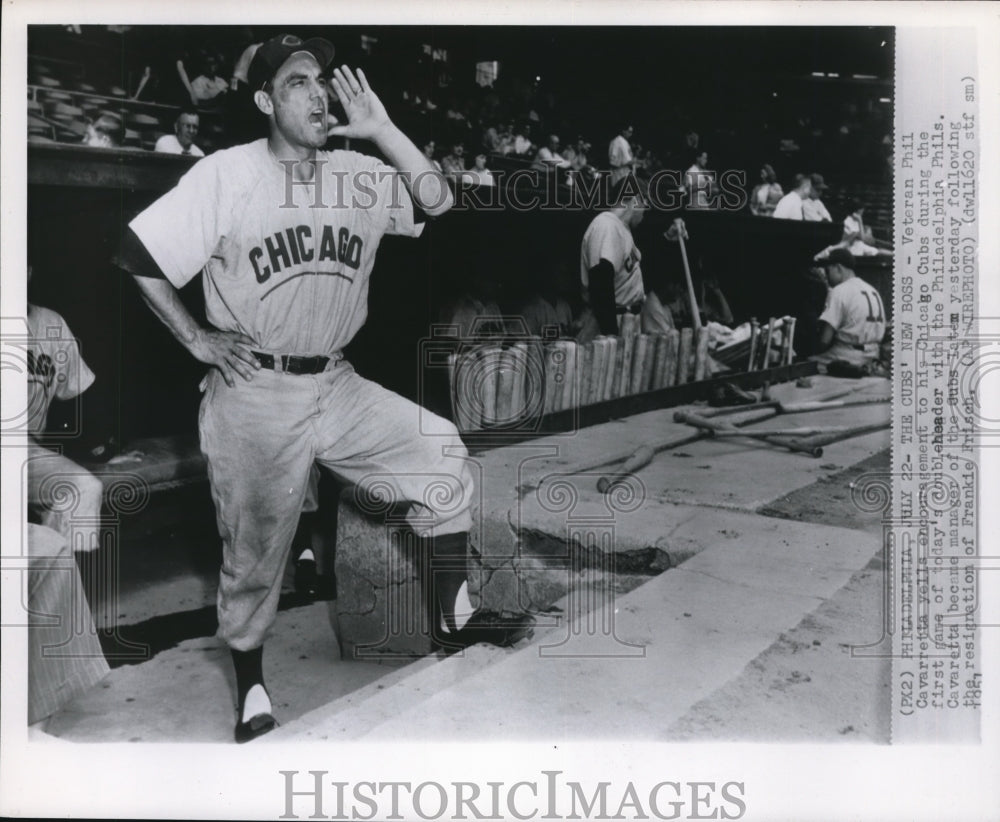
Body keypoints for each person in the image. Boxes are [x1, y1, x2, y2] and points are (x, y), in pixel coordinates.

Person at [116, 34, 533, 744]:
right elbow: (135, 254)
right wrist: (197, 340)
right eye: (296, 82)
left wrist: (383, 130)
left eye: (321, 81)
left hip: (334, 380)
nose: (317, 94)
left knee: (439, 448)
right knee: (253, 555)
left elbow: (439, 201)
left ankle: (455, 614)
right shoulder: (226, 175)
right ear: (263, 101)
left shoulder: (356, 171)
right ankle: (249, 686)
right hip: (256, 389)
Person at [579, 178, 648, 336]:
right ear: (637, 199)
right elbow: (600, 282)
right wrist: (611, 334)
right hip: (610, 323)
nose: (645, 212)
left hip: (626, 320)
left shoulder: (621, 228)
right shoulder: (606, 224)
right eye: (645, 204)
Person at [810, 248, 886, 368]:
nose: (827, 276)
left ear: (838, 268)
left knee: (807, 362)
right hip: (874, 355)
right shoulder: (872, 289)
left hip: (848, 356)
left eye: (828, 270)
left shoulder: (839, 291)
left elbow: (824, 340)